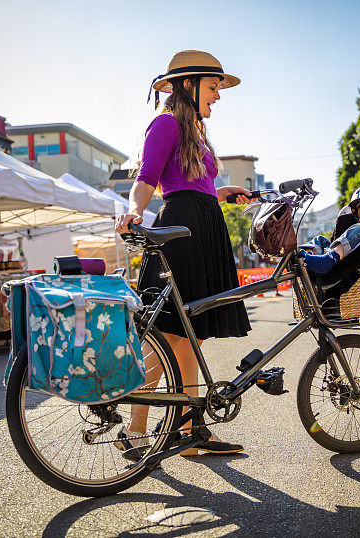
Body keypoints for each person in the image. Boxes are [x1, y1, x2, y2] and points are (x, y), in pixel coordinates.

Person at [115, 50, 252, 456]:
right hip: (182, 232)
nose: (218, 96)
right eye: (213, 87)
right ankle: (138, 426)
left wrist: (221, 194)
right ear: (188, 86)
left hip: (203, 225)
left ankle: (188, 428)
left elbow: (192, 182)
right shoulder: (165, 123)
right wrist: (136, 210)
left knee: (191, 336)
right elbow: (148, 179)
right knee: (173, 332)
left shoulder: (194, 132)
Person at [300, 183, 360, 274]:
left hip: (345, 262)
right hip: (334, 253)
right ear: (359, 219)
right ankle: (305, 257)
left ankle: (327, 260)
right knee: (320, 239)